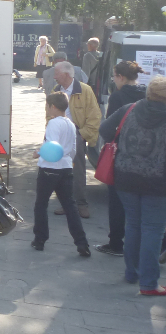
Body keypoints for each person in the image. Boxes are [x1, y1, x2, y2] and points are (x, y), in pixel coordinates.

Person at [100, 76, 166, 295]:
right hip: (158, 181)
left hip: (125, 177)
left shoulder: (129, 108)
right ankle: (149, 283)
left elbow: (104, 130)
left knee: (134, 225)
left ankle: (132, 272)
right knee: (152, 230)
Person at [96, 61, 147, 257]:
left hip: (122, 156)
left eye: (114, 76)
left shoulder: (118, 96)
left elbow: (109, 128)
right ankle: (139, 244)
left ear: (121, 77)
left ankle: (116, 242)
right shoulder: (147, 94)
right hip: (144, 156)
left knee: (117, 202)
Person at [31, 92, 90, 256]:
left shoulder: (53, 124)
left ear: (53, 107)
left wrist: (38, 153)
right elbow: (72, 149)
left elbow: (51, 147)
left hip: (50, 168)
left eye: (48, 106)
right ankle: (82, 242)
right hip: (65, 168)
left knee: (41, 204)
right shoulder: (71, 124)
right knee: (70, 206)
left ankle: (40, 239)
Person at [49, 60, 101, 219]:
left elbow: (95, 116)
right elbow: (48, 113)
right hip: (59, 134)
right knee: (60, 171)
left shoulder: (85, 90)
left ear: (65, 74)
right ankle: (66, 203)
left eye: (56, 73)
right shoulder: (56, 90)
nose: (54, 76)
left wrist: (82, 135)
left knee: (77, 170)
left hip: (77, 134)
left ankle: (81, 204)